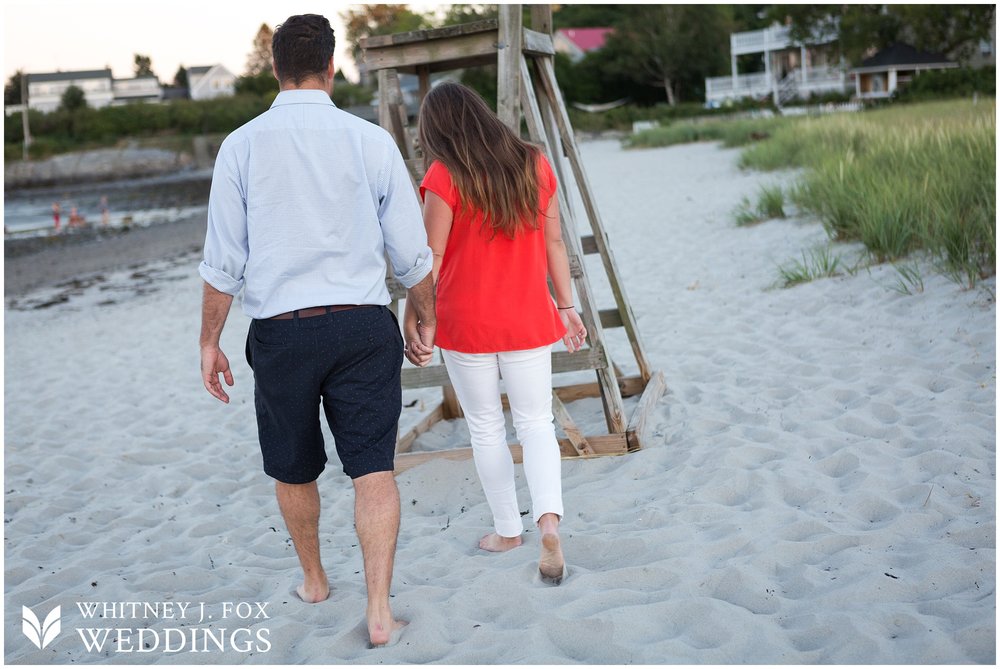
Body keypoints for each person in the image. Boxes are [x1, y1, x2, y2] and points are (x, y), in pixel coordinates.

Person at [198, 13, 435, 648]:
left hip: (281, 333)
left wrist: (208, 342)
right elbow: (411, 252)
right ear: (331, 69)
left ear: (274, 70)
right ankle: (380, 611)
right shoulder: (370, 141)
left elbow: (224, 263)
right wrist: (424, 312)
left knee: (293, 468)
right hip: (361, 325)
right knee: (373, 470)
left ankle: (315, 581)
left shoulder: (241, 146)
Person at [404, 82, 587, 585]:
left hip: (466, 322)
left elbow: (431, 258)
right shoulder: (534, 162)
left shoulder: (445, 175)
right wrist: (566, 306)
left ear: (436, 129)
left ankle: (509, 530)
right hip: (528, 315)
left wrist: (415, 314)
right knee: (536, 423)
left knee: (485, 426)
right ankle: (549, 522)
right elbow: (554, 239)